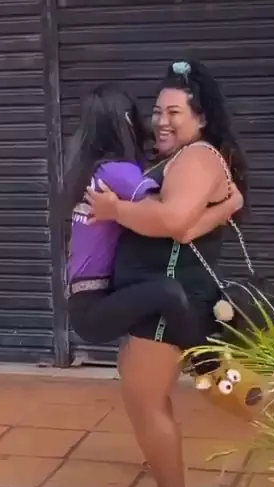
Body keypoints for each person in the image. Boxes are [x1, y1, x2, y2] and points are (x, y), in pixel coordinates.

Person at [85, 59, 248, 487]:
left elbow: (174, 221)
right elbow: (183, 223)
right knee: (150, 395)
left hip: (165, 301)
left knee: (145, 400)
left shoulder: (196, 157)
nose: (161, 120)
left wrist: (115, 210)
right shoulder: (180, 158)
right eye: (157, 111)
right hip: (157, 296)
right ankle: (166, 464)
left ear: (201, 118)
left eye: (174, 112)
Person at [64, 83, 242, 372]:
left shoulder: (94, 169)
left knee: (163, 293)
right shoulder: (118, 172)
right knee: (167, 292)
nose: (153, 123)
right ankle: (208, 365)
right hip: (94, 305)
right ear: (127, 120)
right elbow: (168, 214)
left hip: (85, 301)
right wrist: (227, 204)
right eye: (150, 114)